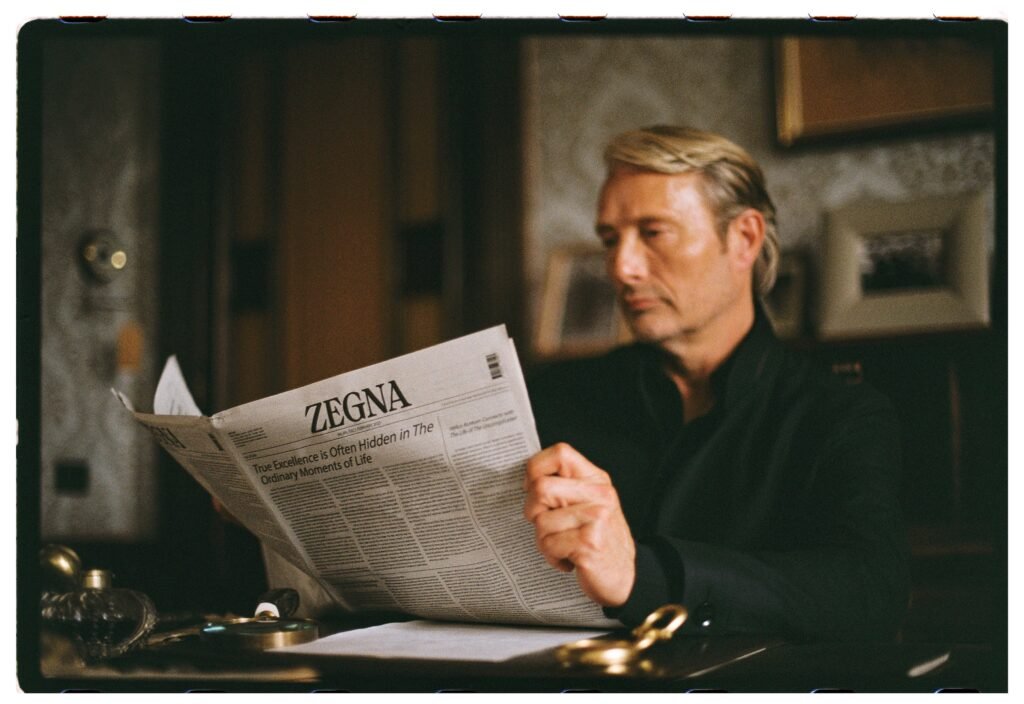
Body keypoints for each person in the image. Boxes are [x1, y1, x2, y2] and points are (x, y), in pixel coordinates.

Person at [523, 125, 909, 640]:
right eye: (610, 239)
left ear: (744, 239)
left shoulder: (838, 415)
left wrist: (644, 574)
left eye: (653, 233)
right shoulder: (554, 397)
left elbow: (870, 593)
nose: (621, 267)